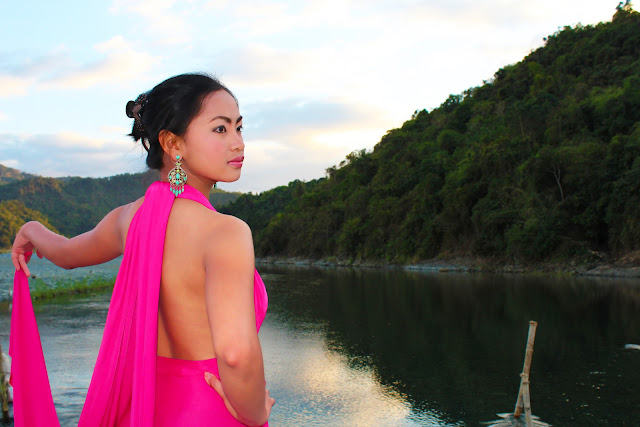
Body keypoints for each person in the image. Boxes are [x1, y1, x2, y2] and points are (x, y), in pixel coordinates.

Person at [10, 73, 275, 426]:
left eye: (239, 128)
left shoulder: (128, 219)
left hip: (143, 410)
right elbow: (234, 354)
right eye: (220, 129)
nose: (238, 143)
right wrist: (254, 412)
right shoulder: (226, 232)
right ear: (173, 144)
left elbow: (67, 254)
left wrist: (31, 229)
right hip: (211, 410)